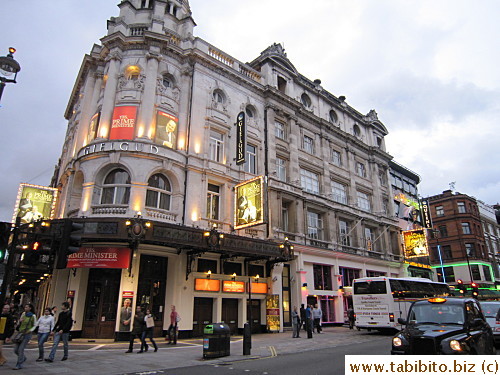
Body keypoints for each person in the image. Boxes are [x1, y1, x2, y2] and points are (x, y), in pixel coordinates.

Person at [13, 303, 36, 370]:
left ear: (30, 308)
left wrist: (30, 330)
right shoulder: (23, 314)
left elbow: (35, 325)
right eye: (25, 307)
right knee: (16, 350)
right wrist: (19, 321)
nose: (25, 308)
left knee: (21, 349)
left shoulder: (33, 316)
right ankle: (23, 358)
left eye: (26, 307)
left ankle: (19, 364)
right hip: (20, 333)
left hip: (27, 334)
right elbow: (19, 323)